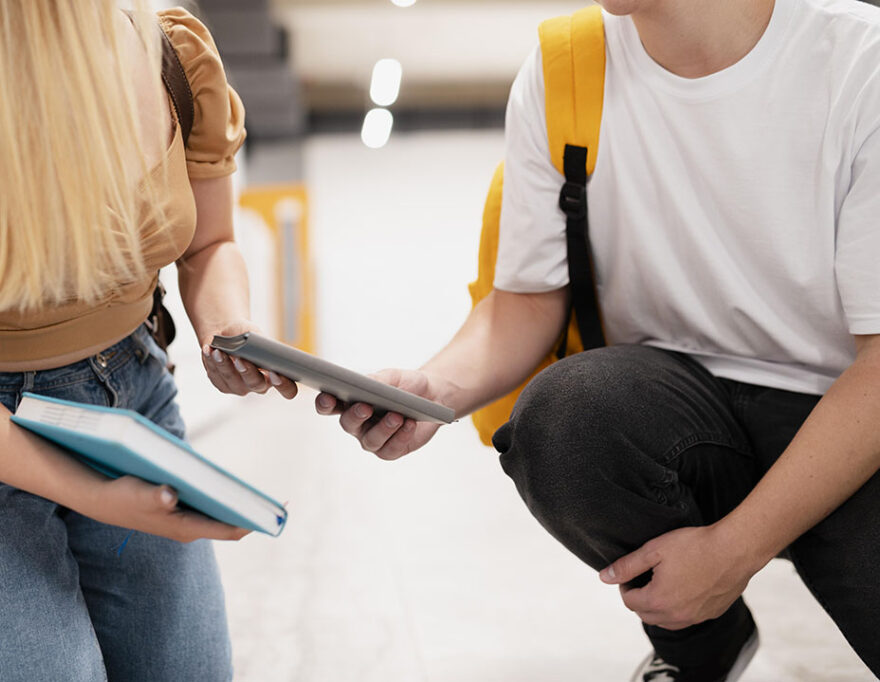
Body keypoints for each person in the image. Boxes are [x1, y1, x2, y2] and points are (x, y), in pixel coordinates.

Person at [315, 0, 880, 679]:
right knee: (567, 415)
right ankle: (700, 648)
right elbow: (527, 301)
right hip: (678, 409)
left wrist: (733, 552)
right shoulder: (569, 68)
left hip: (851, 423)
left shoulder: (859, 62)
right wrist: (433, 390)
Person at [0, 1, 297, 679]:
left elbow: (211, 244)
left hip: (129, 399)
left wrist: (228, 328)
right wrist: (97, 495)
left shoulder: (173, 55)